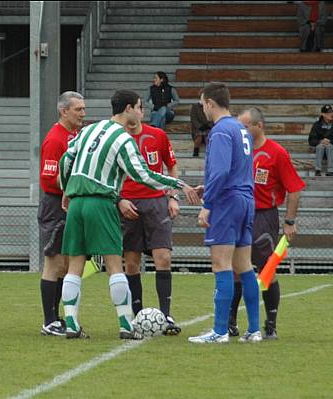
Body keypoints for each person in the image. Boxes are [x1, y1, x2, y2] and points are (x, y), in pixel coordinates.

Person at [58, 89, 199, 339]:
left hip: (77, 202)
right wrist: (181, 185)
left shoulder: (88, 130)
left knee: (75, 266)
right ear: (129, 109)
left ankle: (71, 324)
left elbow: (66, 159)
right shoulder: (123, 139)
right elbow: (143, 175)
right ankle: (126, 325)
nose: (140, 111)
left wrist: (66, 189)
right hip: (101, 202)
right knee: (115, 264)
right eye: (138, 107)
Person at [189, 82, 261, 344]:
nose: (202, 109)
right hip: (245, 199)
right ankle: (254, 330)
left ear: (210, 103)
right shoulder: (241, 129)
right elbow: (235, 169)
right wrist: (209, 186)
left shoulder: (219, 131)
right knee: (244, 266)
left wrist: (207, 202)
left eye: (202, 104)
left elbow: (220, 171)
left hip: (227, 202)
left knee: (221, 264)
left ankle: (219, 332)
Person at [228, 107, 305, 340]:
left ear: (258, 126)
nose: (240, 131)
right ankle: (230, 322)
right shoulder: (238, 151)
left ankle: (270, 325)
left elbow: (294, 189)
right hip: (238, 213)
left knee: (266, 269)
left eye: (244, 126)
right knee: (235, 269)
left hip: (263, 216)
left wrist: (289, 221)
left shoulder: (277, 153)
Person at [117, 118, 182, 335]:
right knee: (132, 263)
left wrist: (173, 196)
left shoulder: (158, 135)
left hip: (156, 202)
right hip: (128, 204)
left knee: (163, 257)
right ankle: (137, 316)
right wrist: (118, 199)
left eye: (138, 108)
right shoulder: (117, 138)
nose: (134, 112)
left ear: (140, 110)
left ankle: (166, 315)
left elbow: (171, 165)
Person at [38, 91, 85, 336]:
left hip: (70, 204)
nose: (83, 114)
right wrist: (77, 183)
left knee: (66, 265)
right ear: (63, 111)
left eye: (83, 109)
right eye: (78, 109)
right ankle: (49, 321)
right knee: (54, 263)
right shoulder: (55, 139)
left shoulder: (74, 136)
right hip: (56, 205)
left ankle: (58, 318)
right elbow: (49, 178)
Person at [308, 104, 333, 176]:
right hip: (320, 148)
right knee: (320, 146)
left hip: (331, 147)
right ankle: (318, 170)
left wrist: (329, 141)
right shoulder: (317, 125)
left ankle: (331, 170)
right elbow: (311, 140)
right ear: (323, 114)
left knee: (329, 146)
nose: (331, 114)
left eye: (331, 112)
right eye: (328, 113)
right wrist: (320, 141)